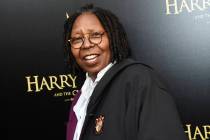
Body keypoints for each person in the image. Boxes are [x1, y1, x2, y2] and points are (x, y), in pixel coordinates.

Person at [63, 4, 187, 140]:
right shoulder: (80, 98)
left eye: (96, 35)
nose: (86, 44)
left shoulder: (139, 80)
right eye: (77, 39)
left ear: (113, 38)